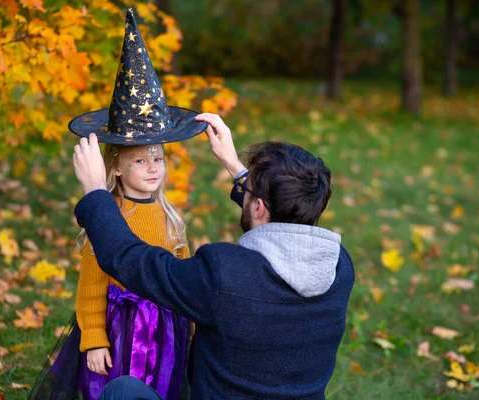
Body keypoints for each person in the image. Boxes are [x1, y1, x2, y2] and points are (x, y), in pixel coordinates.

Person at [72, 112, 355, 400]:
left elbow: (130, 260)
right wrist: (234, 166)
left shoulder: (223, 275)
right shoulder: (339, 267)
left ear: (258, 207)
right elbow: (279, 215)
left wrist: (96, 191)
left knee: (122, 390)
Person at [28, 7, 208, 400]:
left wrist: (190, 323)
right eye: (140, 160)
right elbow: (91, 284)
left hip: (165, 325)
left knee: (162, 382)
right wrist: (94, 337)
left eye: (157, 157)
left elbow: (183, 273)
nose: (152, 166)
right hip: (122, 325)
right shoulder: (107, 216)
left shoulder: (170, 215)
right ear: (119, 169)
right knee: (118, 383)